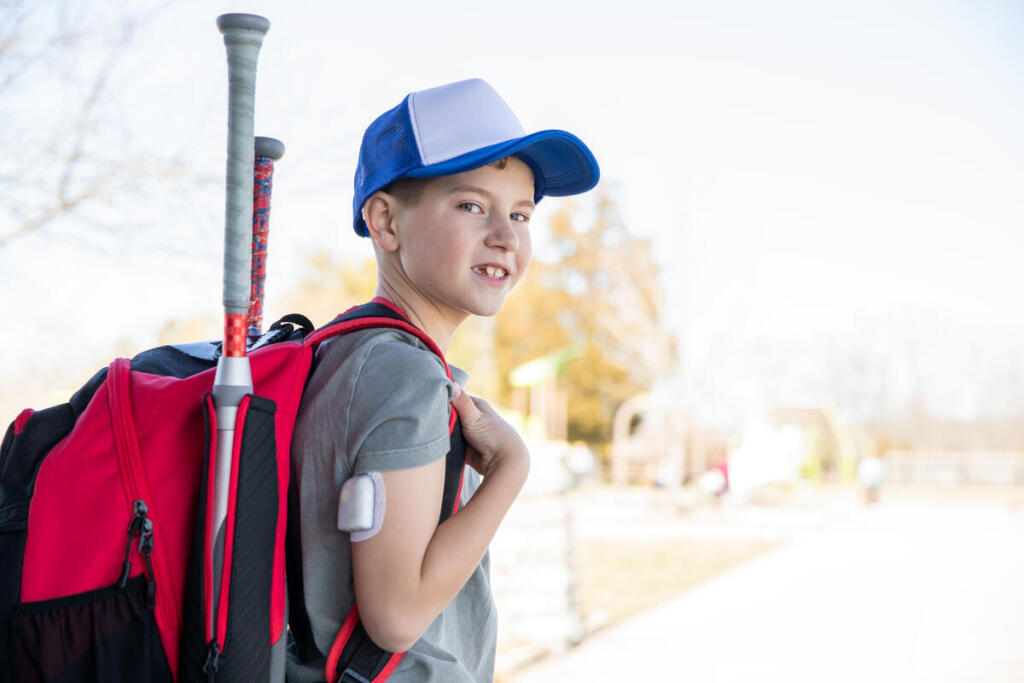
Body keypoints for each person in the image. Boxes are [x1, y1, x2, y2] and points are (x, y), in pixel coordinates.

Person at [287, 78, 599, 682]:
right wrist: (510, 469)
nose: (506, 236)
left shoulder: (346, 352)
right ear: (386, 221)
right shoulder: (400, 371)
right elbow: (397, 615)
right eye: (471, 206)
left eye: (521, 214)